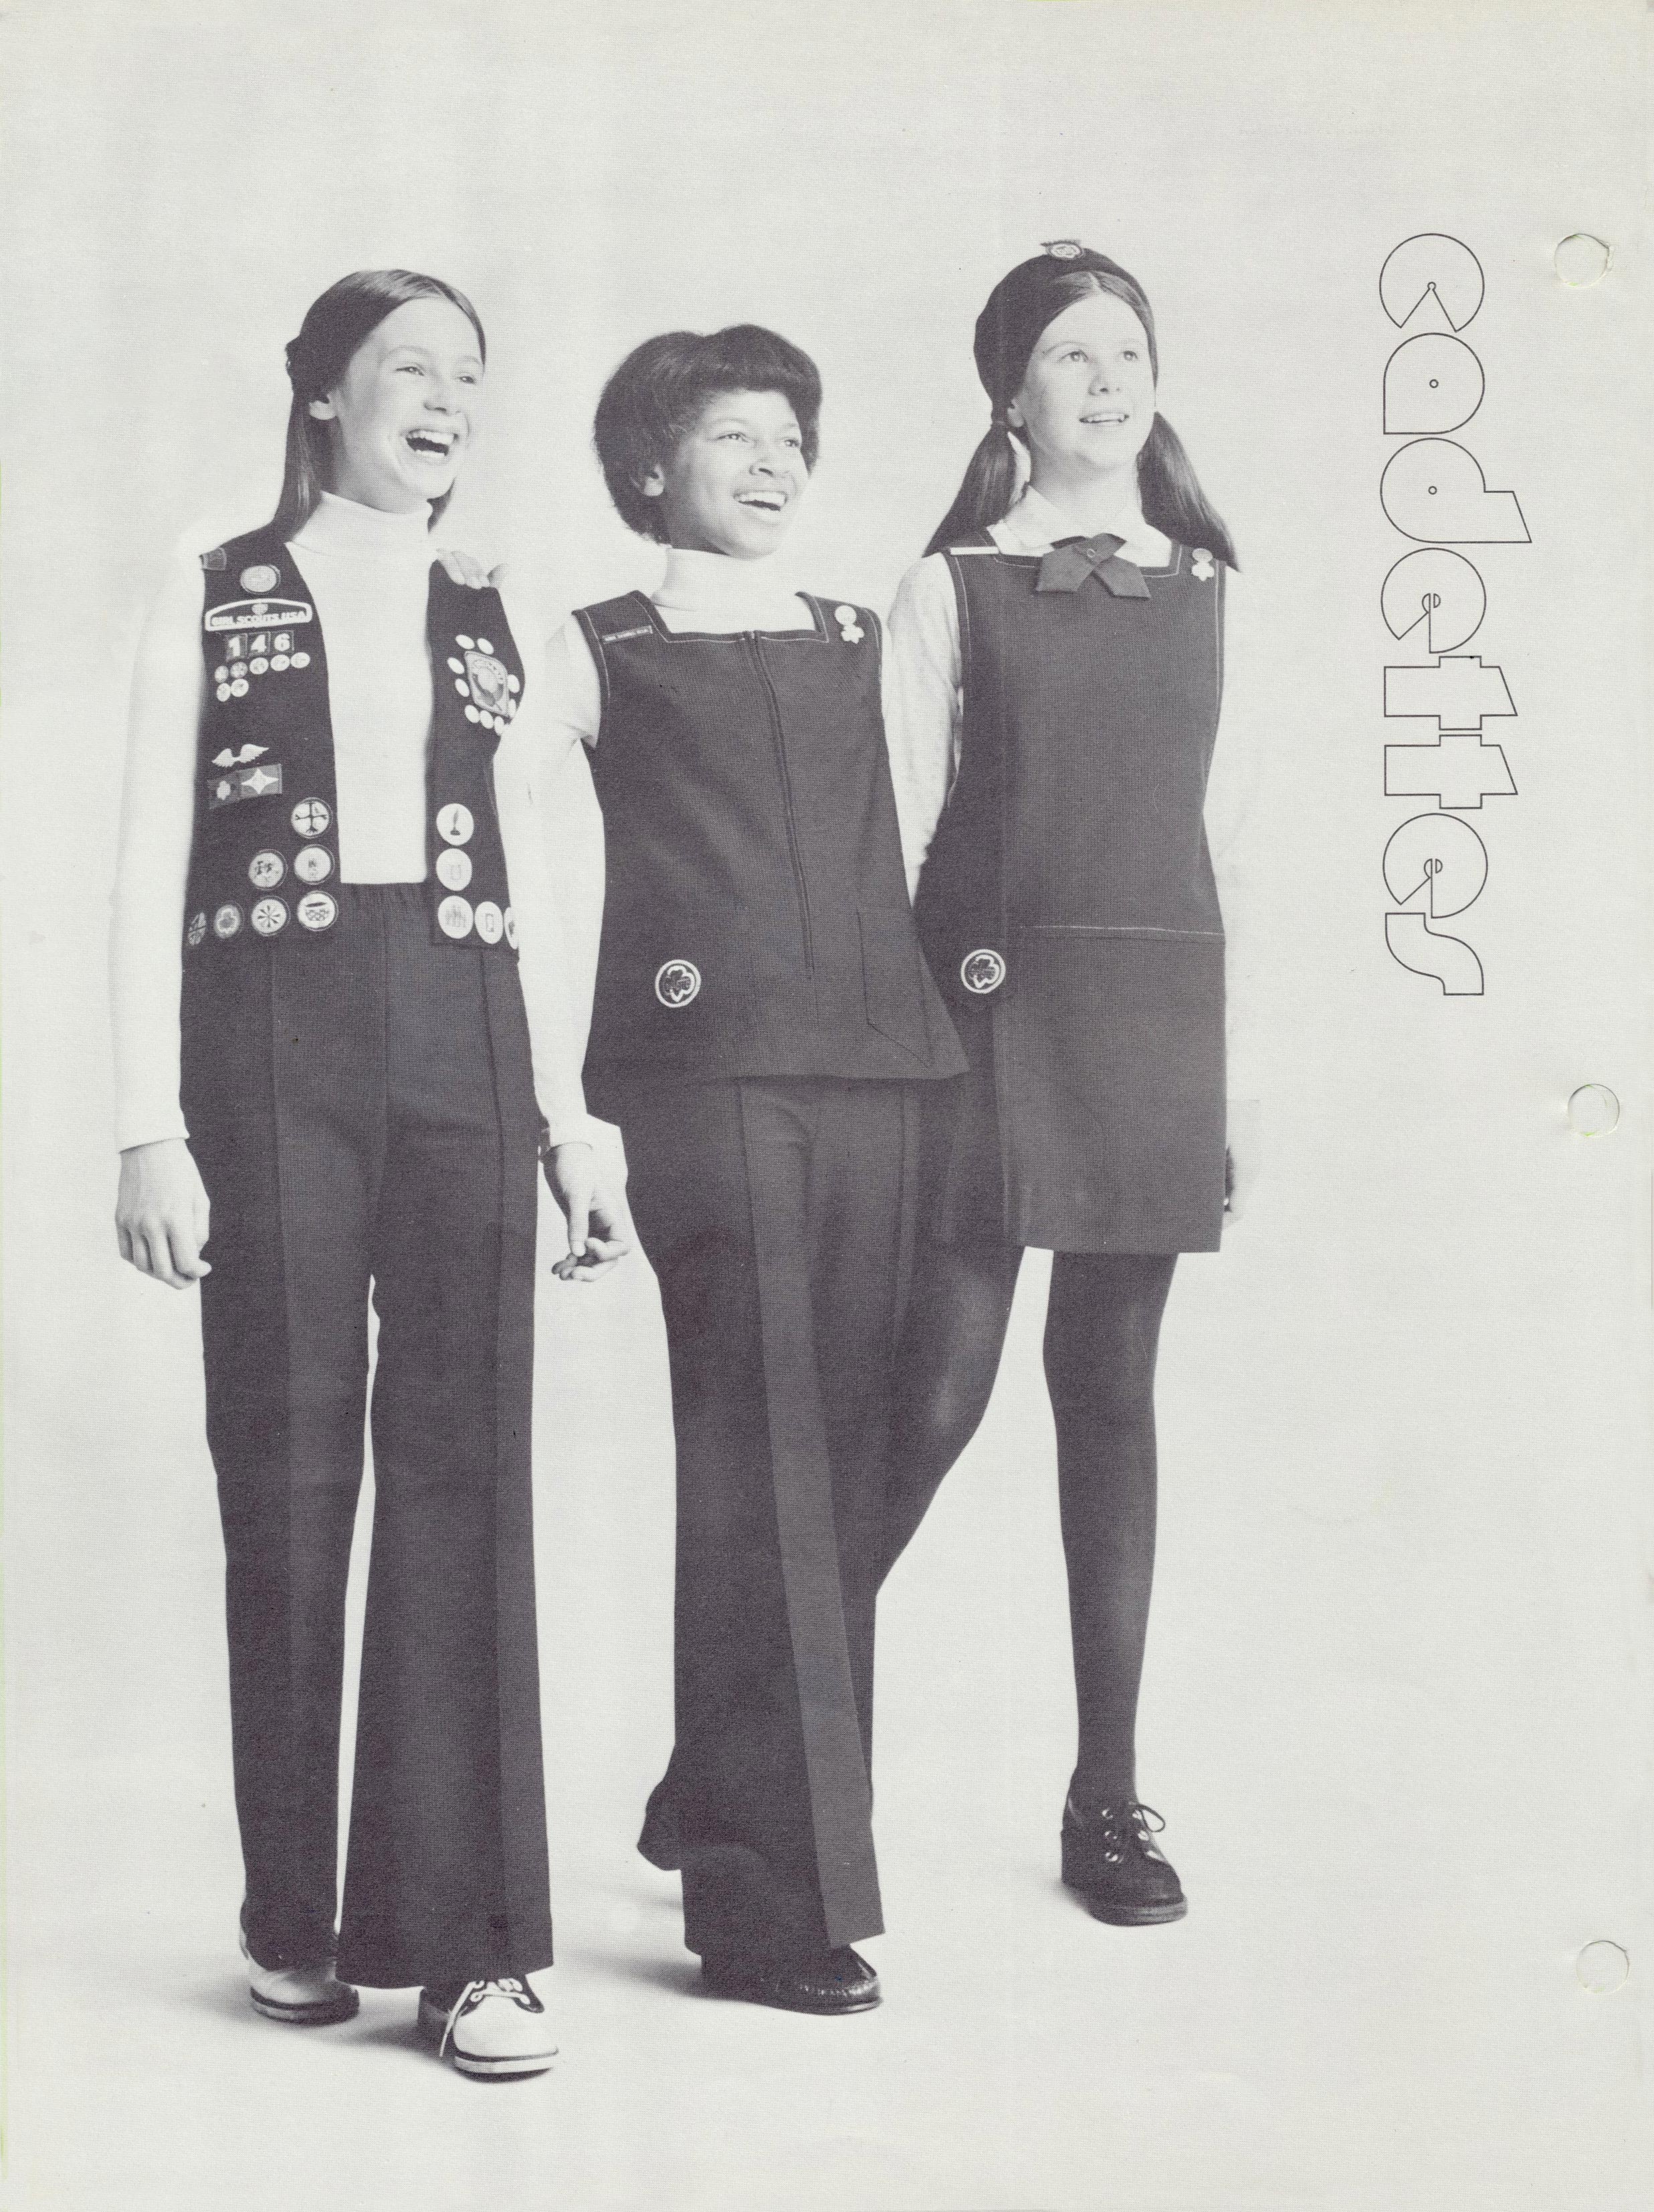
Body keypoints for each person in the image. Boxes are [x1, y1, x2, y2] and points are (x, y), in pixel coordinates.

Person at [110, 269, 625, 2078]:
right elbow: (146, 858)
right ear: (324, 391)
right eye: (410, 366)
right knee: (287, 1459)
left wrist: (571, 1118)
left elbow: (540, 872)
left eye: (469, 372)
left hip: (468, 1026)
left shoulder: (497, 597)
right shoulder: (216, 580)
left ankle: (471, 1947)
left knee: (465, 1464)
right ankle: (294, 1909)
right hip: (272, 1034)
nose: (445, 397)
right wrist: (147, 1122)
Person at [535, 323, 964, 2013]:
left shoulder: (861, 636)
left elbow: (932, 833)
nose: (775, 462)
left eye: (791, 434)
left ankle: (719, 1772)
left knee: (891, 1428)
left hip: (892, 1072)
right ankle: (770, 1906)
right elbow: (513, 857)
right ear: (651, 467)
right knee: (765, 1461)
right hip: (701, 1079)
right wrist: (563, 1112)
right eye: (735, 436)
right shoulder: (599, 647)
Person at [880, 241, 1253, 1928]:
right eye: (1071, 354)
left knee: (1109, 1399)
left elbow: (1240, 852)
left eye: (1127, 351)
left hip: (1153, 1029)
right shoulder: (948, 586)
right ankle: (748, 1738)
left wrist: (1241, 1093)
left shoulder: (1217, 589)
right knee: (932, 1401)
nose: (1107, 379)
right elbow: (889, 850)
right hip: (979, 1022)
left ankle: (1108, 1798)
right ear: (1009, 396)